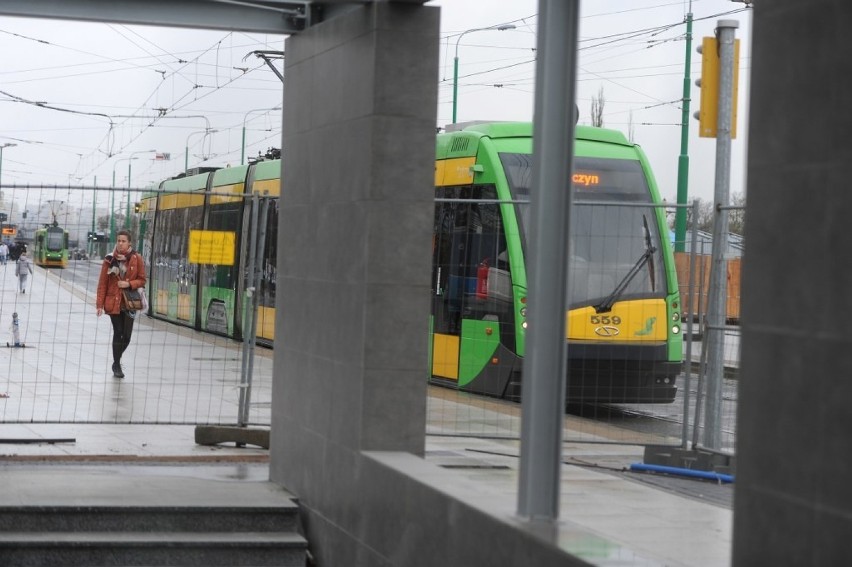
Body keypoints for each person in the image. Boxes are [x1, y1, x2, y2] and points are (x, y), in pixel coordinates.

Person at [96, 230, 146, 379]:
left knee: (127, 337)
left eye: (123, 241)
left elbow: (143, 280)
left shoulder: (137, 259)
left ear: (129, 243)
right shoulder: (109, 260)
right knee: (118, 332)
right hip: (113, 302)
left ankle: (116, 359)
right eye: (118, 240)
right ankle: (117, 364)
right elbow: (102, 283)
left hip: (130, 302)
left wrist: (129, 283)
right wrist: (99, 304)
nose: (120, 243)